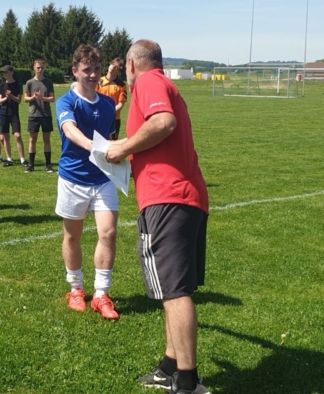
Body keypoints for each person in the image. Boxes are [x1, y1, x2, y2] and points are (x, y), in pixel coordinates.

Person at [105, 40, 210, 394]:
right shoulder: (167, 85)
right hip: (186, 197)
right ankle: (169, 367)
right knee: (172, 289)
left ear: (132, 65)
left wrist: (122, 147)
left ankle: (188, 382)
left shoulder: (148, 82)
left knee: (174, 292)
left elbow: (163, 122)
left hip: (166, 198)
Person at [55, 45, 119, 320]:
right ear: (75, 71)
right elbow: (70, 130)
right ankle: (76, 288)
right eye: (86, 70)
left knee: (108, 233)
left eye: (96, 69)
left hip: (103, 178)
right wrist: (94, 147)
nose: (92, 75)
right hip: (73, 178)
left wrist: (121, 153)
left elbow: (112, 139)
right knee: (72, 236)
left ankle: (101, 294)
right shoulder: (66, 102)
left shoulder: (108, 104)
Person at [24, 59, 54, 173]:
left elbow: (52, 98)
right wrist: (33, 98)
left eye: (41, 67)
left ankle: (48, 165)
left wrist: (42, 98)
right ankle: (31, 165)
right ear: (34, 67)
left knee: (46, 139)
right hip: (33, 114)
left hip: (46, 114)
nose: (40, 70)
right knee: (32, 139)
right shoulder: (29, 83)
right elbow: (25, 98)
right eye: (38, 67)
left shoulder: (48, 82)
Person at [0, 65, 26, 168]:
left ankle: (22, 159)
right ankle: (9, 159)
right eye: (3, 73)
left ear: (11, 72)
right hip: (4, 113)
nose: (5, 74)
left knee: (17, 135)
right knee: (5, 136)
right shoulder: (2, 85)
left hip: (14, 113)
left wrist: (11, 96)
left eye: (6, 72)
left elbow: (19, 100)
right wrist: (6, 98)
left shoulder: (18, 84)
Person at [96, 58, 127, 140]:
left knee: (112, 144)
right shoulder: (98, 81)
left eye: (116, 66)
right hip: (99, 117)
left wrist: (109, 112)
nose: (113, 67)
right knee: (97, 142)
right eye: (112, 64)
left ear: (119, 71)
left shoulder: (122, 85)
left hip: (114, 119)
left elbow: (121, 104)